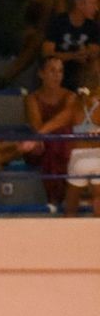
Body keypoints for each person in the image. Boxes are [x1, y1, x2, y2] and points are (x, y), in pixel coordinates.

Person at [0, 56, 75, 203]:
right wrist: (38, 139)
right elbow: (36, 126)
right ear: (41, 74)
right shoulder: (32, 98)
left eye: (60, 71)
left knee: (60, 140)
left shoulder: (70, 96)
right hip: (40, 146)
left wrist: (38, 137)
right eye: (52, 71)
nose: (57, 76)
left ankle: (58, 197)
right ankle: (60, 198)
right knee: (50, 145)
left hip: (56, 144)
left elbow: (67, 117)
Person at [42, 0, 100, 93]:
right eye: (92, 3)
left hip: (79, 71)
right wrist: (72, 56)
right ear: (79, 3)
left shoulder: (93, 27)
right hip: (59, 68)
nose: (96, 8)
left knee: (94, 65)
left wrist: (86, 53)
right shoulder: (58, 22)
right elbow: (46, 52)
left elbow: (94, 52)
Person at [64, 60, 100, 216]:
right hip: (98, 156)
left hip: (78, 157)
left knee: (71, 208)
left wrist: (38, 135)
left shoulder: (74, 103)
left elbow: (57, 121)